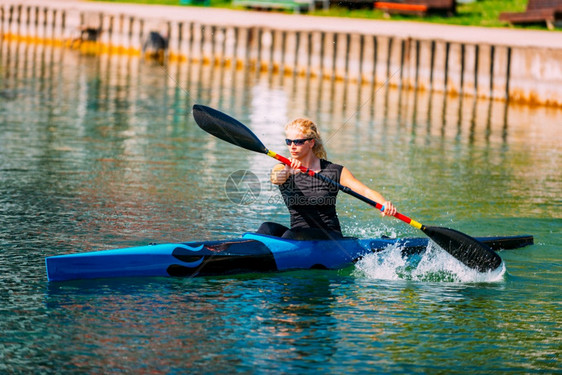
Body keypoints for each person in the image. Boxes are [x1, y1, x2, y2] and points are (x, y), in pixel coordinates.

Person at [257, 117, 397, 240]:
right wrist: (287, 169)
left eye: (298, 142)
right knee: (267, 228)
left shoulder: (334, 171)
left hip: (329, 237)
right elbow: (276, 179)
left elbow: (365, 192)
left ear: (311, 143)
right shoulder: (282, 168)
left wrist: (384, 204)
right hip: (298, 234)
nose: (292, 147)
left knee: (292, 235)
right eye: (289, 141)